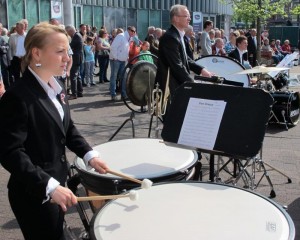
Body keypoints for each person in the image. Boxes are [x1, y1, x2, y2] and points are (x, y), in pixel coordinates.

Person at [0, 22, 109, 240]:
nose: (67, 57)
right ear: (37, 53)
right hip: (33, 194)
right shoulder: (17, 97)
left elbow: (67, 129)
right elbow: (10, 152)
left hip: (57, 187)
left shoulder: (55, 87)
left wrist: (89, 155)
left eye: (67, 50)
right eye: (60, 51)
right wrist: (49, 186)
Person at [155, 4, 213, 102]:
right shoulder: (170, 37)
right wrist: (192, 83)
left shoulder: (178, 35)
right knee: (174, 117)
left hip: (177, 87)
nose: (189, 18)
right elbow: (177, 65)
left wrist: (201, 70)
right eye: (186, 16)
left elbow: (185, 58)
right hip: (170, 89)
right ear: (176, 18)